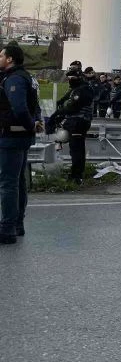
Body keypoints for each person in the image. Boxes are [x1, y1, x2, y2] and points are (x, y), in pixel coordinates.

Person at [0, 44, 39, 244]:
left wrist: (30, 125)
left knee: (8, 183)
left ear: (10, 59)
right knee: (18, 182)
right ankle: (17, 225)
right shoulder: (27, 77)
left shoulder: (14, 79)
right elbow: (36, 106)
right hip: (20, 137)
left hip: (11, 136)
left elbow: (20, 108)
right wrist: (33, 124)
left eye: (1, 55)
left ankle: (7, 229)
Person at [53, 68, 94, 183]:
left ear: (79, 77)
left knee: (76, 149)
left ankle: (76, 176)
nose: (70, 80)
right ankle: (77, 174)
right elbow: (66, 102)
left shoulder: (83, 89)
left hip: (78, 121)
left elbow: (73, 106)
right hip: (77, 121)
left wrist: (60, 114)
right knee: (77, 148)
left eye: (73, 78)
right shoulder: (78, 88)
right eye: (69, 78)